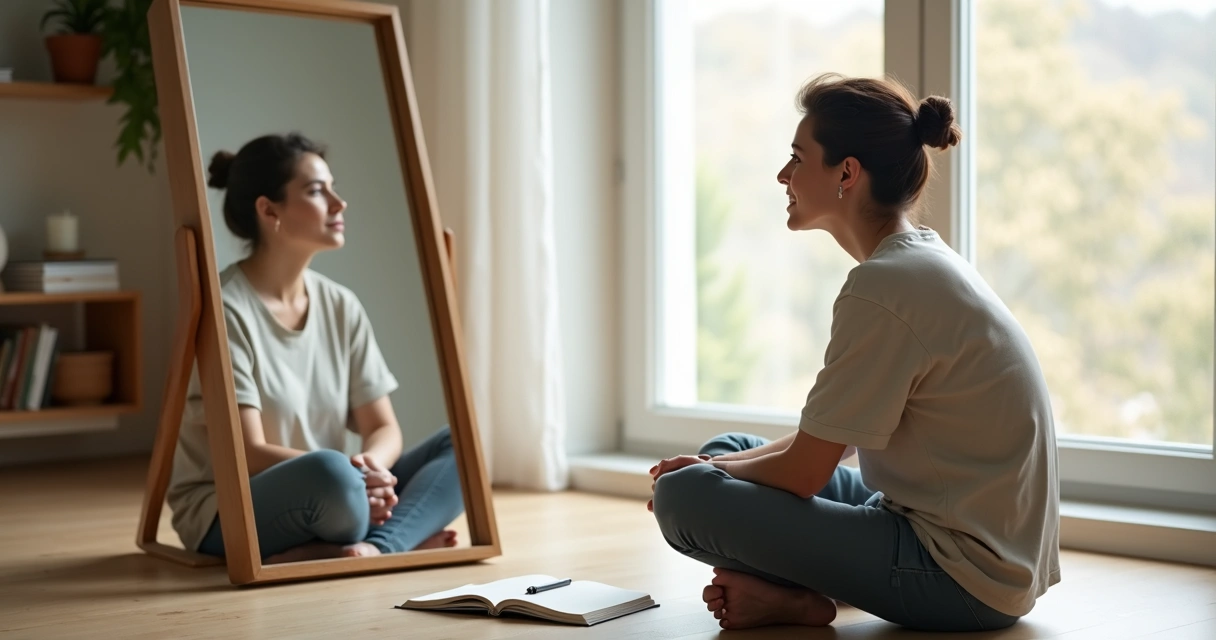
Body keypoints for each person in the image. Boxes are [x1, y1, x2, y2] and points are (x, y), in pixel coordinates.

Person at [648, 73, 1060, 632]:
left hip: (960, 578)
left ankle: (796, 599)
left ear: (847, 172)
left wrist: (708, 474)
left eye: (797, 158)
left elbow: (804, 472)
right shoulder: (919, 262)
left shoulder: (887, 286)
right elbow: (829, 444)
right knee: (730, 449)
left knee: (683, 497)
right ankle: (793, 594)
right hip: (936, 527)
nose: (783, 175)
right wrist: (721, 464)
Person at [166, 132, 465, 564]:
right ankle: (391, 538)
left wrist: (369, 470)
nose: (339, 203)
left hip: (339, 495)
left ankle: (369, 549)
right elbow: (248, 454)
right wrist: (352, 477)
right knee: (330, 472)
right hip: (230, 508)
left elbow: (384, 428)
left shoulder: (341, 305)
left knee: (460, 444)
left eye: (333, 187)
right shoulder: (226, 309)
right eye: (315, 191)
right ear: (269, 210)